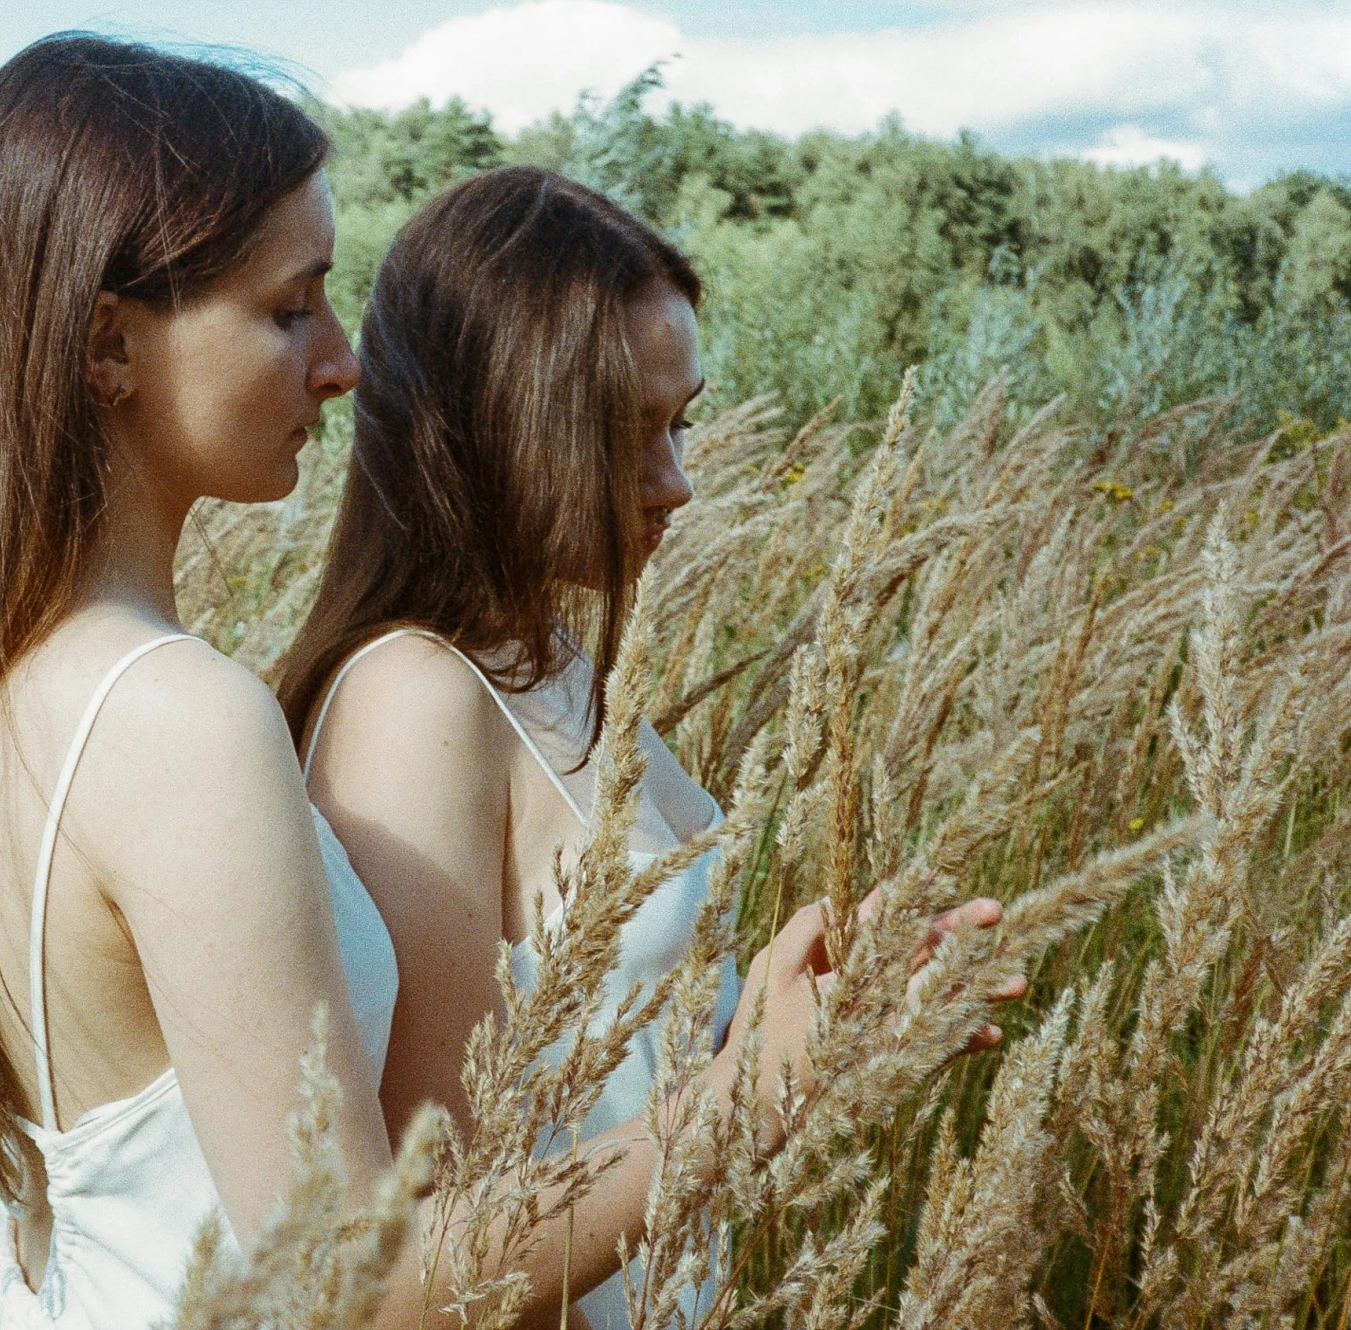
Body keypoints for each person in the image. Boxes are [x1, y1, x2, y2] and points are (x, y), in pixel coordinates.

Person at [0, 41, 971, 1330]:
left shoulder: (15, 686)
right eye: (287, 309)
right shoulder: (174, 716)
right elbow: (351, 1286)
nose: (340, 360)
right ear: (109, 344)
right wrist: (737, 1105)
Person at [279, 166, 1014, 1326]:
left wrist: (809, 1014)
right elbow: (441, 1244)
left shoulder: (548, 661)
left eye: (680, 423)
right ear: (490, 423)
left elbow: (617, 1061)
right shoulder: (413, 702)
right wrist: (748, 1091)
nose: (675, 483)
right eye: (624, 436)